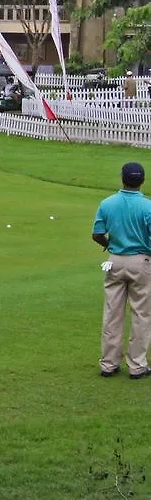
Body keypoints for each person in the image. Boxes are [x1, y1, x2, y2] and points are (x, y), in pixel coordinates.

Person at [92, 162, 151, 379]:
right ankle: (137, 366)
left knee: (112, 314)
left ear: (122, 178)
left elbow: (97, 233)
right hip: (142, 262)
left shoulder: (107, 203)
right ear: (142, 180)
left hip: (115, 261)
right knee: (141, 315)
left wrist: (109, 244)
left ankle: (109, 364)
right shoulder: (148, 207)